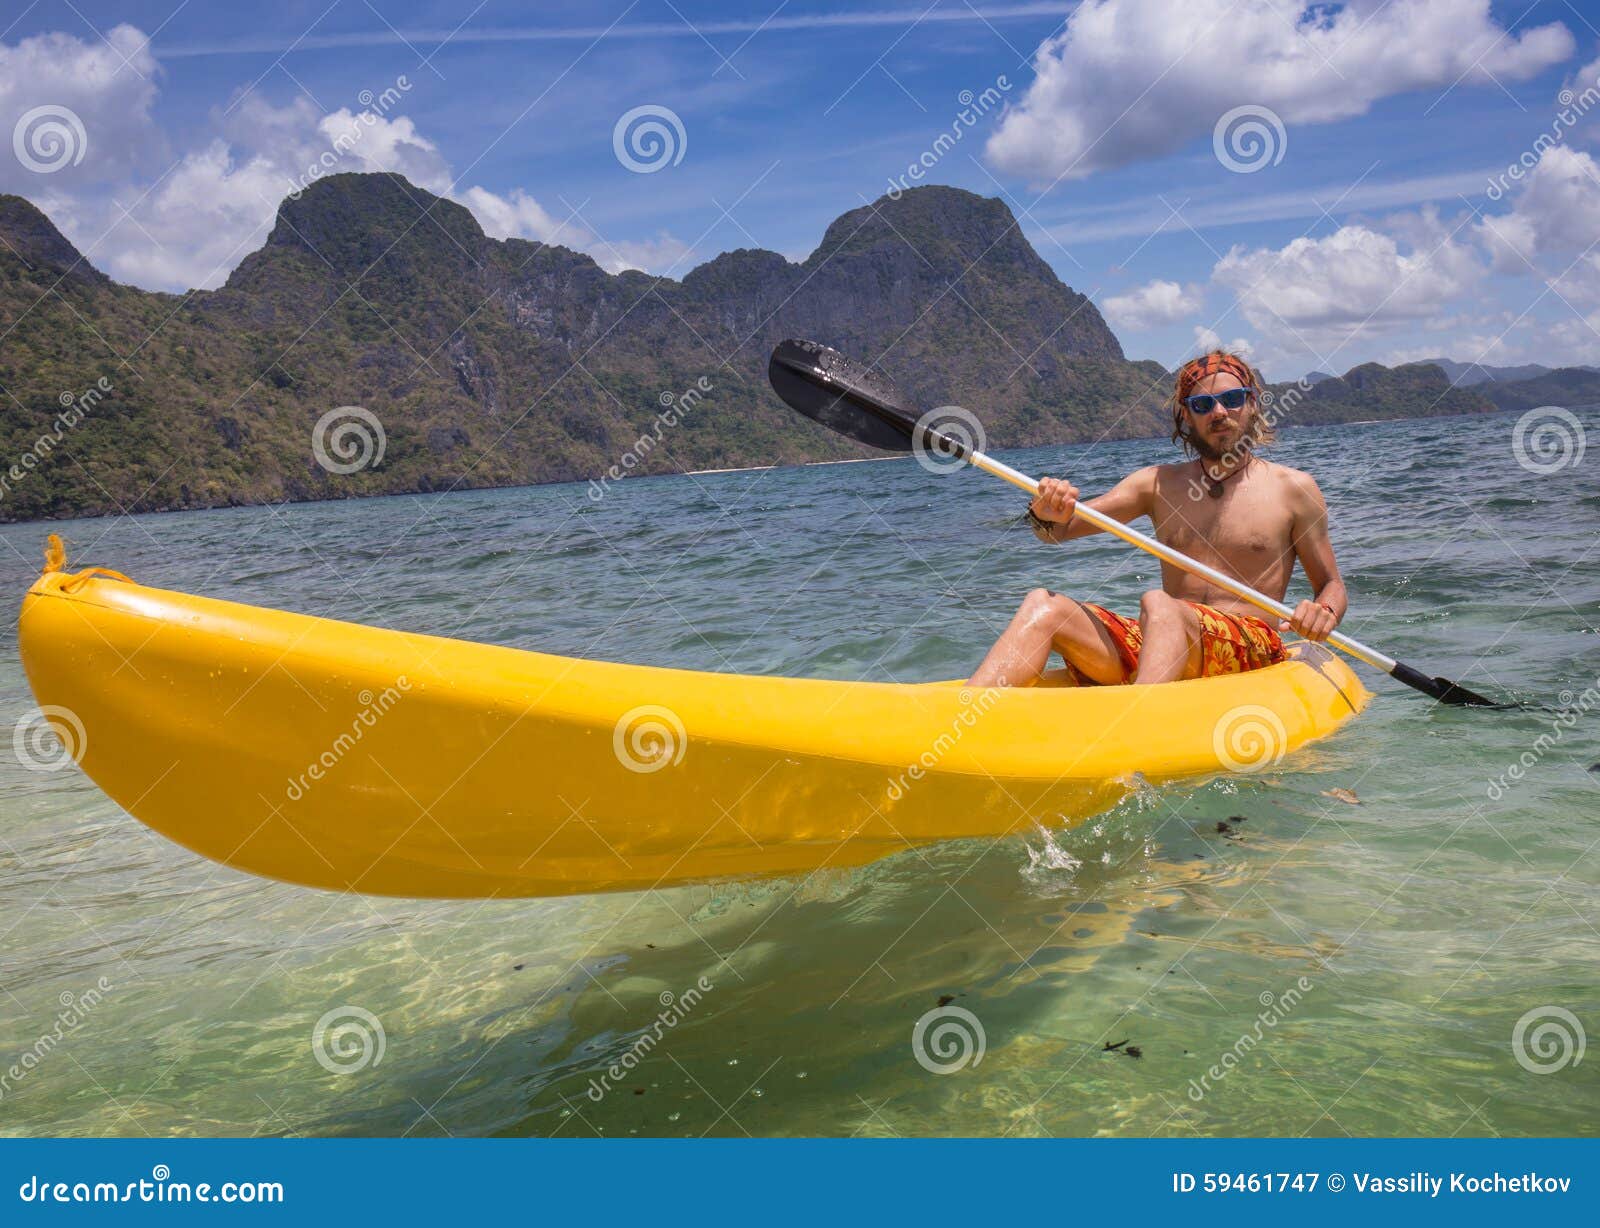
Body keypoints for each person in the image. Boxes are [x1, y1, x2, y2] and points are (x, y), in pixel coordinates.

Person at [967, 350, 1347, 688]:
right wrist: (1044, 513)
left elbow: (1330, 583)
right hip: (1166, 644)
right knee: (1043, 605)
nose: (1219, 412)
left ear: (1252, 405)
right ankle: (963, 719)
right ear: (1186, 416)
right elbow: (1056, 533)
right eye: (1202, 405)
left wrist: (1323, 611)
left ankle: (1136, 736)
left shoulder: (1293, 489)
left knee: (1159, 603)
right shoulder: (1156, 484)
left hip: (1250, 649)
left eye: (1231, 399)